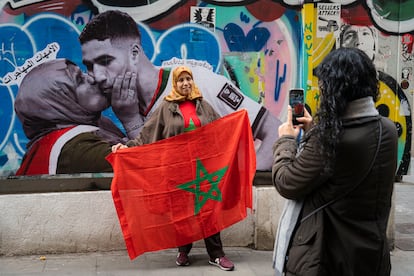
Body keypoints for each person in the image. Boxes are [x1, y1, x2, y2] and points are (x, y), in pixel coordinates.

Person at [79, 9, 281, 171]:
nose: (97, 75)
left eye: (105, 61)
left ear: (134, 53)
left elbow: (276, 131)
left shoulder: (197, 82)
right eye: (89, 65)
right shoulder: (116, 106)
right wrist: (130, 120)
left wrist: (243, 178)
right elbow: (154, 170)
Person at [272, 47, 397, 275]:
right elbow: (346, 165)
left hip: (327, 256)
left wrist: (287, 141)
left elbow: (287, 182)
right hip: (370, 255)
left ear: (336, 90)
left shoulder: (329, 139)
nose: (321, 92)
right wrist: (314, 130)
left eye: (324, 86)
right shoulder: (386, 130)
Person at [112, 65, 235, 271]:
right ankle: (183, 251)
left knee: (208, 211)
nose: (186, 83)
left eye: (189, 79)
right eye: (181, 80)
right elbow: (147, 135)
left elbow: (220, 131)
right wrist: (127, 148)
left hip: (203, 169)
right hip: (176, 170)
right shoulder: (166, 108)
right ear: (175, 84)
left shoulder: (203, 106)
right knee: (181, 212)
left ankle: (216, 255)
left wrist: (239, 130)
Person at [14, 58, 133, 175]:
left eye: (84, 74)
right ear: (61, 100)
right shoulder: (76, 148)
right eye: (80, 80)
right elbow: (143, 166)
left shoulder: (46, 144)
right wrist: (132, 119)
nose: (93, 79)